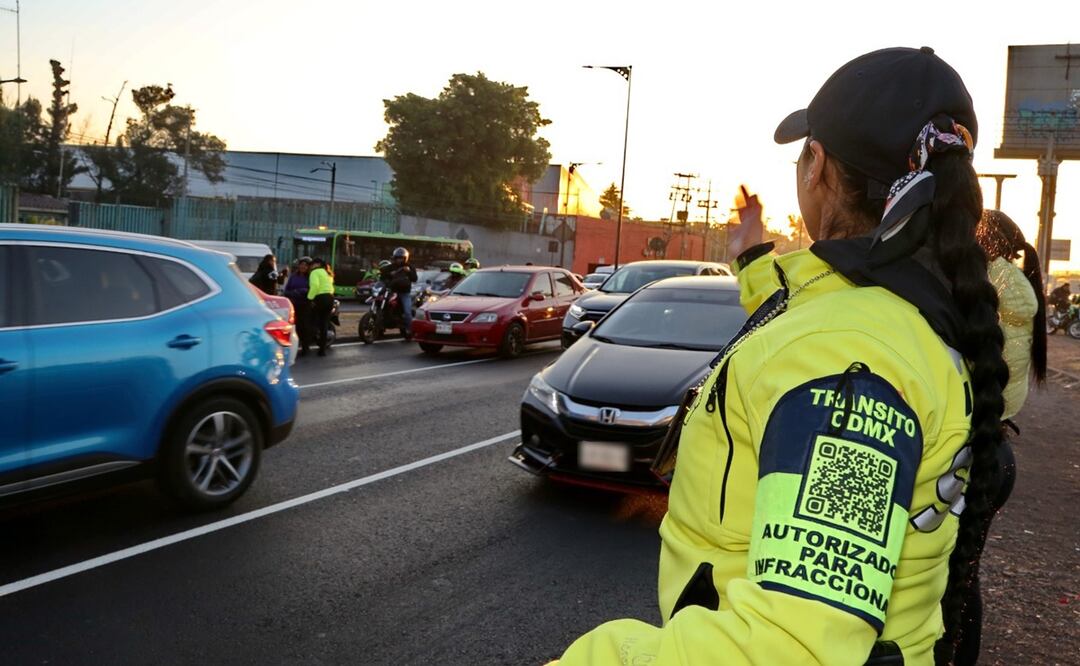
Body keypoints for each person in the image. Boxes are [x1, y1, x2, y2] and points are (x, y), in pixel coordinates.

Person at [554, 47, 1008, 666]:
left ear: (816, 164)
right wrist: (750, 258)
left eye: (805, 152)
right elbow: (810, 318)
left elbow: (790, 649)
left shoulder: (847, 361)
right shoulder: (889, 315)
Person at [950, 209, 1048, 664]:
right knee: (965, 575)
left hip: (971, 448)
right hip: (999, 449)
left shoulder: (985, 281)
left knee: (947, 575)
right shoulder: (1023, 287)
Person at [380, 247, 417, 340]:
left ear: (405, 258)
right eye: (397, 258)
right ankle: (379, 326)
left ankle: (409, 329)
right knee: (381, 303)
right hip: (391, 291)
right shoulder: (391, 267)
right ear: (394, 258)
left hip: (404, 293)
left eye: (401, 258)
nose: (399, 260)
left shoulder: (409, 267)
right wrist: (389, 274)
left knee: (407, 312)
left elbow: (415, 278)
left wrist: (409, 271)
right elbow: (382, 274)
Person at [283, 256, 313, 356]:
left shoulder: (311, 277)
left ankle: (306, 347)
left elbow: (311, 290)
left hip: (306, 304)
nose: (303, 267)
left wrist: (301, 291)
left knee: (305, 326)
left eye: (305, 265)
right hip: (294, 304)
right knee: (295, 326)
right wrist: (294, 293)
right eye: (301, 264)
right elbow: (286, 290)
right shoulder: (293, 276)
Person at [307, 257, 335, 356]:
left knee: (313, 320)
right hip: (330, 298)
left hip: (320, 298)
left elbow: (315, 286)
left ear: (317, 264)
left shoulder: (315, 272)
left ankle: (308, 345)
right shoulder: (327, 272)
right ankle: (322, 349)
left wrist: (309, 298)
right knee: (324, 324)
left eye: (313, 264)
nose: (311, 266)